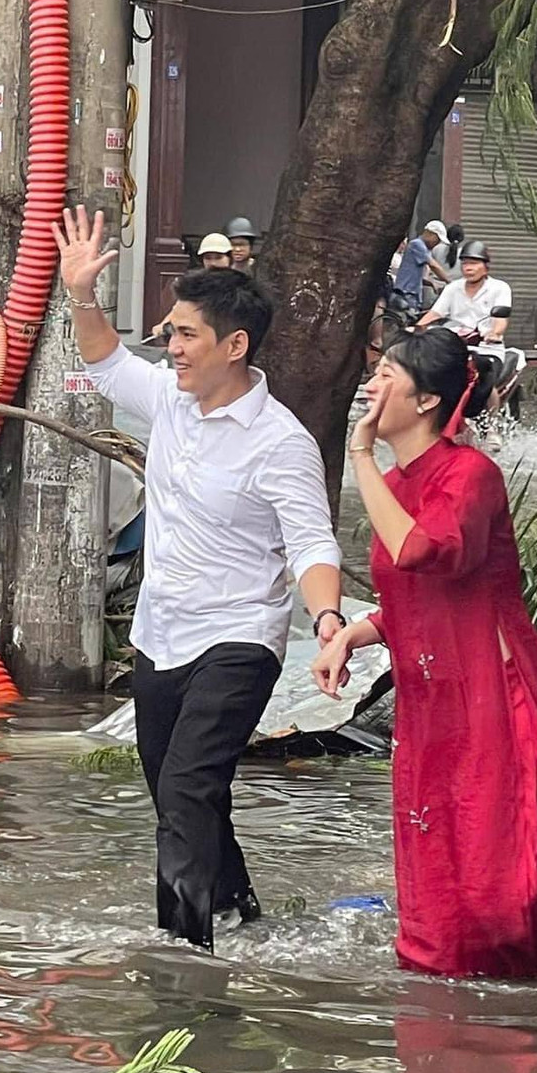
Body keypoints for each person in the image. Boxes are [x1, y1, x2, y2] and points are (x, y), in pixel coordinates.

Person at [53, 205, 343, 949]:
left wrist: (330, 623)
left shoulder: (282, 444)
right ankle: (243, 916)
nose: (170, 347)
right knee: (184, 796)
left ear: (235, 345)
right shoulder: (171, 403)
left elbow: (311, 544)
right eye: (171, 333)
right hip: (160, 635)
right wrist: (81, 289)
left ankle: (184, 957)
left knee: (185, 788)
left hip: (240, 638)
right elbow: (106, 361)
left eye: (185, 335)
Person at [311, 327, 537, 979]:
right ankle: (441, 977)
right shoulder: (398, 480)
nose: (371, 385)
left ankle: (498, 1009)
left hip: (491, 686)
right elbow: (412, 596)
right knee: (434, 831)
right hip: (432, 694)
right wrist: (351, 634)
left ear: (426, 400)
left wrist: (361, 457)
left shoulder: (470, 474)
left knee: (492, 848)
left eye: (387, 375)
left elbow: (426, 551)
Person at [417, 240, 511, 344]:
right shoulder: (452, 287)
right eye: (465, 264)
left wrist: (495, 334)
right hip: (454, 343)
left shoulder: (500, 288)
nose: (468, 268)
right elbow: (436, 312)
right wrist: (417, 327)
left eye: (473, 264)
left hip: (486, 344)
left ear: (486, 267)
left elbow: (500, 319)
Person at [393, 221, 451, 315]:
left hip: (413, 293)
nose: (437, 243)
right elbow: (434, 266)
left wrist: (432, 283)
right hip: (406, 292)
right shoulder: (417, 245)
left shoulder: (424, 248)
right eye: (437, 240)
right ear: (430, 234)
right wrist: (450, 282)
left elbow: (417, 275)